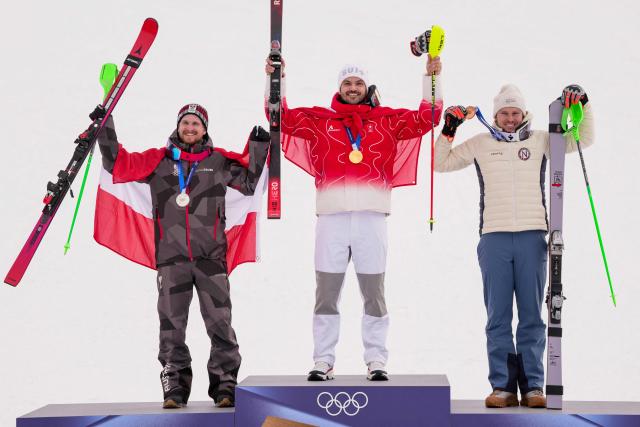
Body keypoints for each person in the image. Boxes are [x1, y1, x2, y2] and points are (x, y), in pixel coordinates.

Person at [265, 56, 443, 381]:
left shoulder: (386, 121)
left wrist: (431, 79)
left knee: (374, 293)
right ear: (339, 88)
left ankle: (376, 360)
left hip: (371, 219)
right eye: (347, 83)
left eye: (358, 83)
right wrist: (278, 79)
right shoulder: (322, 121)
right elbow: (281, 119)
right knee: (326, 294)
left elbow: (427, 118)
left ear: (366, 88)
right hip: (331, 218)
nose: (352, 88)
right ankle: (323, 360)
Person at [92, 103, 269, 408]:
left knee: (220, 323)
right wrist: (104, 126)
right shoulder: (158, 162)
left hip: (210, 259)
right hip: (171, 261)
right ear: (178, 126)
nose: (190, 128)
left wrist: (259, 145)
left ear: (205, 129)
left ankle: (225, 386)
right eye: (186, 123)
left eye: (196, 124)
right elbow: (117, 164)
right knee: (171, 326)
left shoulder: (218, 162)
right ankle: (174, 387)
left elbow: (250, 182)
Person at [434, 84, 594, 408]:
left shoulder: (542, 140)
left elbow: (584, 138)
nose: (509, 118)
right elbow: (441, 163)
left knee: (533, 314)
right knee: (498, 316)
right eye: (504, 113)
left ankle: (534, 386)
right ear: (495, 116)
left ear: (524, 114)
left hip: (533, 238)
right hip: (493, 238)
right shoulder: (481, 143)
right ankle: (503, 387)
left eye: (515, 113)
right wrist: (448, 130)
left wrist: (583, 105)